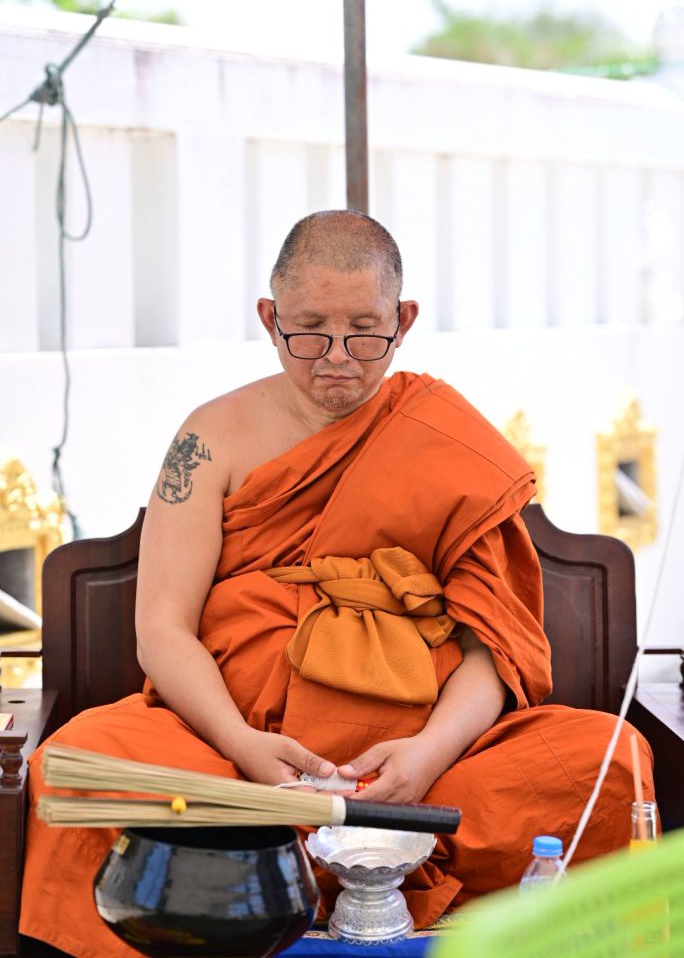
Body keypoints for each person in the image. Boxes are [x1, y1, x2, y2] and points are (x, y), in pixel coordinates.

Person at [21, 210, 654, 957]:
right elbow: (162, 627)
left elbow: (493, 646)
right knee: (82, 768)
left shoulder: (445, 440)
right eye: (310, 331)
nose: (337, 359)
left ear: (403, 321)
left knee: (611, 759)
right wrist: (242, 745)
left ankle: (315, 871)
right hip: (235, 758)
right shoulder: (210, 438)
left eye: (364, 332)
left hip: (428, 764)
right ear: (270, 319)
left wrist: (427, 754)